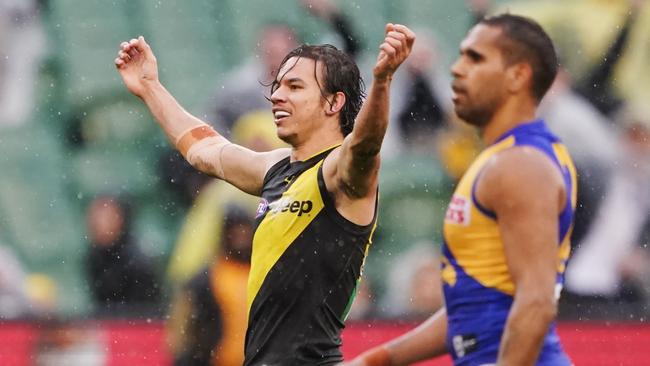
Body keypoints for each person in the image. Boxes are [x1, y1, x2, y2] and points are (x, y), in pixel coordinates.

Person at [114, 23, 415, 365]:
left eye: (294, 86)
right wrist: (150, 87)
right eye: (276, 86)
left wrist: (383, 81)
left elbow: (366, 145)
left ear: (334, 102)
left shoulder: (341, 172)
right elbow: (204, 150)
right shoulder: (275, 168)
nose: (276, 96)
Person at [347, 14, 576, 366]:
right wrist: (378, 359)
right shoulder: (504, 158)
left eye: (475, 58)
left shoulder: (521, 164)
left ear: (518, 75)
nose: (456, 69)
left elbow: (537, 302)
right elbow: (472, 312)